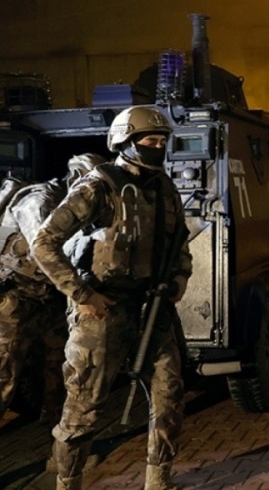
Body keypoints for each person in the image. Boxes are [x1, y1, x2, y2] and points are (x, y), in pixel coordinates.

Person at [32, 106, 192, 490]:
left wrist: (180, 278)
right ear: (126, 141)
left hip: (153, 306)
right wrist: (81, 293)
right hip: (103, 310)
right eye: (150, 141)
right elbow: (44, 242)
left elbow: (180, 242)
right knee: (83, 407)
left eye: (163, 141)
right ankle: (68, 482)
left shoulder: (165, 188)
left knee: (169, 397)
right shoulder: (97, 186)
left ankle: (159, 479)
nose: (158, 148)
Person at [0, 153, 106, 430]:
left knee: (59, 368)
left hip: (46, 297)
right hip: (15, 297)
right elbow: (43, 248)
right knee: (4, 373)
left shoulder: (72, 207)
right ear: (78, 178)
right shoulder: (38, 200)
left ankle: (57, 440)